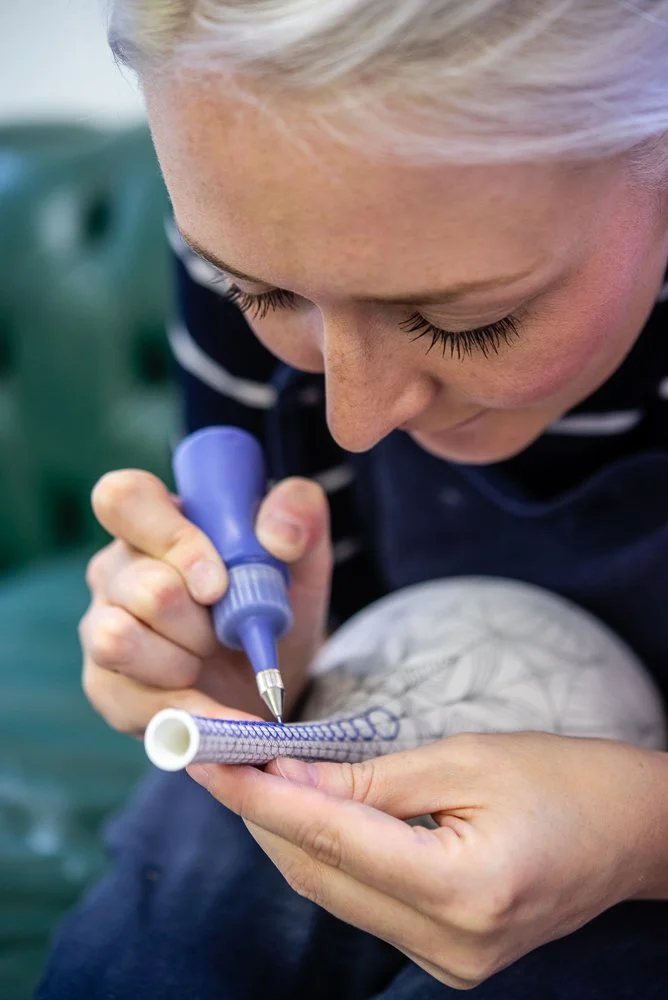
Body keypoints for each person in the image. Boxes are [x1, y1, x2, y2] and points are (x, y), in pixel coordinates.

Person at [38, 2, 668, 997]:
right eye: (262, 293)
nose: (353, 419)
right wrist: (229, 660)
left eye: (465, 321)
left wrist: (644, 836)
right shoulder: (269, 207)